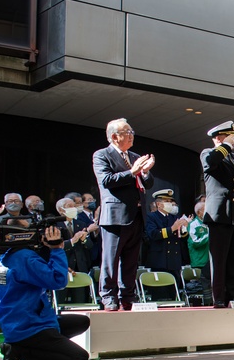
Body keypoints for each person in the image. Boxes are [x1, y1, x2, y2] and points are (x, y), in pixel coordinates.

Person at [0, 226, 90, 360]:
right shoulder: (25, 257)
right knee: (79, 357)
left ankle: (28, 348)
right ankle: (21, 351)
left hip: (19, 320)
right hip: (29, 326)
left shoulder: (9, 256)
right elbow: (58, 281)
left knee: (81, 322)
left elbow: (39, 273)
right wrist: (57, 249)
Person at [93, 118, 155, 311]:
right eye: (126, 132)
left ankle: (128, 296)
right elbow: (107, 181)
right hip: (115, 215)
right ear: (114, 136)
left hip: (136, 214)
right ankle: (108, 296)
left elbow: (148, 183)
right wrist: (132, 171)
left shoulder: (134, 155)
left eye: (131, 131)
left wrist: (145, 172)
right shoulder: (102, 155)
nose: (131, 135)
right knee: (111, 259)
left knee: (131, 260)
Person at [201, 121, 234, 308]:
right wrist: (225, 146)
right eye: (231, 136)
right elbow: (210, 163)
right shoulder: (208, 153)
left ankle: (233, 295)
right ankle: (219, 297)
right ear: (219, 137)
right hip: (219, 214)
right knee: (219, 259)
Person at [144, 189, 189, 288]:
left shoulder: (174, 217)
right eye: (167, 202)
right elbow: (153, 234)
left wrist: (184, 229)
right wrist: (172, 229)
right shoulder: (151, 217)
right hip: (160, 260)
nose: (170, 204)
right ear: (159, 204)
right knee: (160, 291)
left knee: (174, 290)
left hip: (174, 260)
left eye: (170, 202)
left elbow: (182, 238)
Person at [55, 197, 92, 273]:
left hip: (81, 266)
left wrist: (84, 239)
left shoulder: (81, 224)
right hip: (64, 265)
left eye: (74, 206)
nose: (74, 208)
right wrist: (72, 241)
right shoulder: (55, 225)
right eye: (70, 206)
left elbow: (90, 245)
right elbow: (55, 247)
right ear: (61, 210)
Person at [188, 202, 210, 271]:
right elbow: (195, 242)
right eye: (205, 209)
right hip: (199, 262)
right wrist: (209, 235)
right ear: (198, 212)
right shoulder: (193, 224)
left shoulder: (209, 223)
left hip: (210, 260)